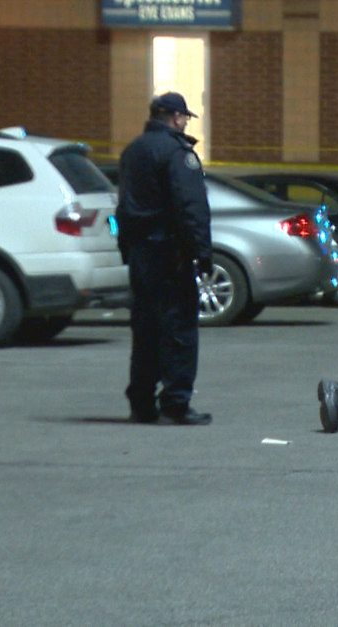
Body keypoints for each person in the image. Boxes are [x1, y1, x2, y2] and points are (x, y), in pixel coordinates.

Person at [116, 91, 214, 425]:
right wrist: (202, 252)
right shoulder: (177, 153)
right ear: (175, 117)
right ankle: (176, 402)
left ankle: (141, 403)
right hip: (170, 255)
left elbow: (123, 206)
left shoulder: (132, 151)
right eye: (184, 117)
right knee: (179, 330)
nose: (185, 123)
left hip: (140, 253)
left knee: (145, 330)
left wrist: (126, 248)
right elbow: (191, 207)